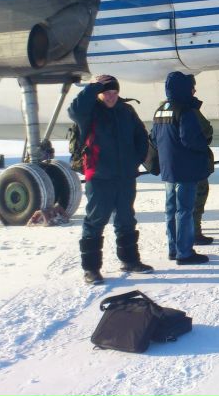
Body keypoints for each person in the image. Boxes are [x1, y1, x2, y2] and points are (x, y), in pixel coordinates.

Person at [69, 75, 152, 285]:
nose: (110, 97)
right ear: (98, 92)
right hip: (99, 176)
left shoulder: (126, 111)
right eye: (106, 92)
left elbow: (141, 135)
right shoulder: (89, 112)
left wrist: (137, 159)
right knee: (96, 220)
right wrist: (93, 87)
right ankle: (91, 269)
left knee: (126, 218)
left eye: (114, 93)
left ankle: (130, 260)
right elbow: (74, 110)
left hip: (125, 175)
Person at [151, 72, 211, 265]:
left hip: (168, 169)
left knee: (170, 210)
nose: (193, 91)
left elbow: (153, 138)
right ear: (184, 89)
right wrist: (203, 147)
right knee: (184, 210)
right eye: (190, 87)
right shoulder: (184, 111)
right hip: (186, 169)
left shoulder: (160, 110)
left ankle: (173, 249)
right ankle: (184, 252)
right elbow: (191, 139)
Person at [188, 76, 215, 246]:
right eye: (192, 88)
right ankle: (194, 232)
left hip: (178, 166)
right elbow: (206, 131)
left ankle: (184, 233)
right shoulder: (189, 110)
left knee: (179, 203)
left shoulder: (165, 108)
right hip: (194, 164)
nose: (195, 91)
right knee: (196, 199)